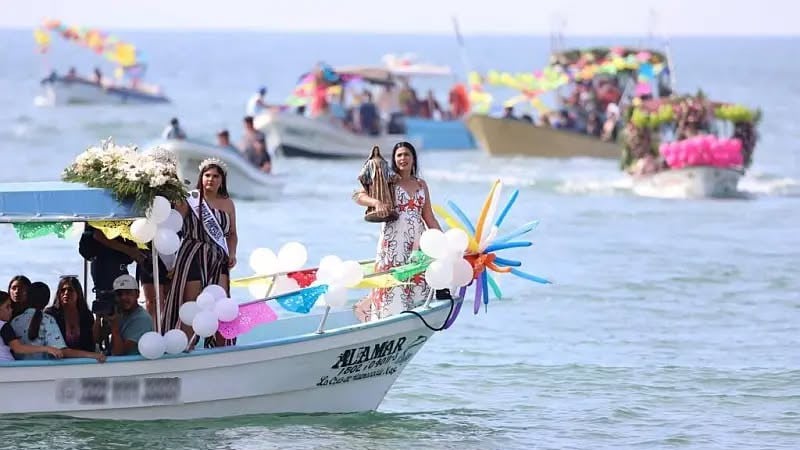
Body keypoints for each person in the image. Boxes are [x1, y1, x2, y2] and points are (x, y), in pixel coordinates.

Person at [352, 142, 442, 321]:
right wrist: (376, 203)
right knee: (392, 280)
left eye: (406, 154)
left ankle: (413, 317)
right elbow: (358, 195)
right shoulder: (389, 180)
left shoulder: (421, 184)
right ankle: (387, 317)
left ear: (413, 158)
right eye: (399, 155)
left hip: (416, 242)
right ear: (394, 159)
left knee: (415, 280)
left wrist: (445, 243)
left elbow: (429, 217)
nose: (403, 158)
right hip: (393, 241)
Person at [161, 159, 238, 346]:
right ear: (201, 178)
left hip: (218, 257)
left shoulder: (228, 204)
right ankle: (186, 345)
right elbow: (174, 223)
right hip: (193, 254)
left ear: (222, 180)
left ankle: (221, 347)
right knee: (191, 303)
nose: (211, 179)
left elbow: (232, 234)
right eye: (207, 175)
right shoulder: (190, 199)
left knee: (220, 300)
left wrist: (232, 254)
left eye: (215, 176)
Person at [11, 282, 105, 362]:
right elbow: (62, 351)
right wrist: (93, 355)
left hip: (19, 372)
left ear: (26, 297)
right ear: (47, 300)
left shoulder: (14, 321)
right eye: (63, 290)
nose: (66, 293)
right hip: (44, 372)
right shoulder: (48, 320)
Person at [94, 275, 154, 356]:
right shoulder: (117, 313)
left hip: (133, 362)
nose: (123, 297)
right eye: (119, 294)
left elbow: (119, 353)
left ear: (137, 294)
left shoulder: (142, 319)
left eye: (128, 293)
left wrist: (114, 327)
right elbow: (96, 340)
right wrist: (98, 319)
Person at [0, 291, 63, 361]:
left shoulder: (13, 321)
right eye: (7, 307)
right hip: (7, 364)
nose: (11, 309)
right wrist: (47, 348)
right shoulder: (4, 326)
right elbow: (18, 348)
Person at [44, 276, 96, 353]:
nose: (66, 293)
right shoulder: (50, 314)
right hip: (57, 359)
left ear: (78, 293)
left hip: (84, 359)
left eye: (70, 290)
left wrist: (98, 319)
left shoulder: (86, 315)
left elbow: (93, 340)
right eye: (62, 290)